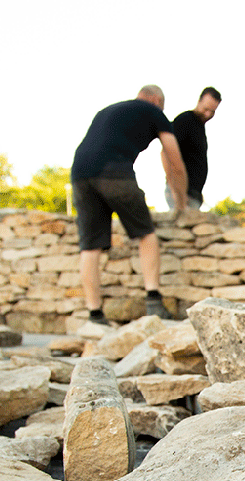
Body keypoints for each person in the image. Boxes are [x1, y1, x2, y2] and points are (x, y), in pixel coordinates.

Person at [71, 84, 188, 322]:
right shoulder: (154, 111)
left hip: (80, 173)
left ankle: (95, 313)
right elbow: (173, 159)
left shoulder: (107, 111)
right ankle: (154, 300)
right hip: (114, 171)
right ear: (156, 100)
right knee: (146, 233)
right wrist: (181, 201)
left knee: (90, 246)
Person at [162, 87, 221, 211]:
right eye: (205, 109)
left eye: (212, 111)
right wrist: (175, 190)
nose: (208, 114)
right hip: (181, 193)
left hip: (193, 194)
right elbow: (165, 153)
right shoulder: (185, 120)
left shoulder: (199, 127)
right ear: (199, 101)